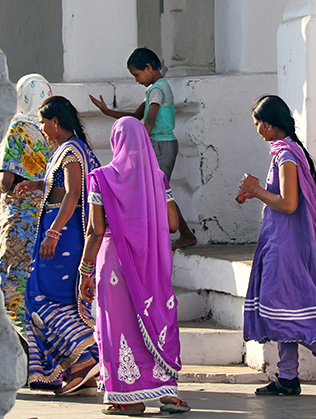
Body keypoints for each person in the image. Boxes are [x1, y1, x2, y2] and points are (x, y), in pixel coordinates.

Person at [237, 95, 316, 396]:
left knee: (279, 306)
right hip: (282, 239)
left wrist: (257, 190)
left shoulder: (286, 156)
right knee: (285, 309)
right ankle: (287, 377)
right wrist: (256, 190)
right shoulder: (286, 152)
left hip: (286, 244)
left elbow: (288, 204)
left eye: (257, 124)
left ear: (269, 124)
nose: (257, 130)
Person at [79, 117, 189, 415]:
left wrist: (84, 271)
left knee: (118, 327)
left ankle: (128, 399)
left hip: (114, 262)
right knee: (157, 319)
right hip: (151, 262)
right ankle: (168, 394)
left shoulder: (100, 178)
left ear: (116, 142)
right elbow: (173, 224)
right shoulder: (157, 178)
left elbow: (95, 230)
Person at [16, 96, 103, 395]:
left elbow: (73, 193)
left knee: (39, 297)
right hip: (66, 233)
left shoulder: (71, 151)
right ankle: (85, 377)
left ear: (55, 122)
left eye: (43, 122)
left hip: (64, 235)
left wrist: (53, 232)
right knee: (65, 300)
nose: (41, 128)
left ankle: (83, 360)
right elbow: (63, 186)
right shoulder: (73, 150)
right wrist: (37, 184)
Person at [90, 48, 197, 250]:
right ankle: (177, 234)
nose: (137, 80)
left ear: (148, 68)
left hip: (161, 145)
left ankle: (184, 234)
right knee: (157, 191)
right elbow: (135, 117)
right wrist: (107, 112)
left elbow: (148, 122)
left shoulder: (157, 90)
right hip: (158, 144)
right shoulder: (155, 90)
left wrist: (136, 145)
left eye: (137, 75)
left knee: (160, 191)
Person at [0, 74, 55, 335]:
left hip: (20, 219)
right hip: (49, 217)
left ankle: (23, 343)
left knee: (12, 282)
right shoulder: (52, 130)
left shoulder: (17, 129)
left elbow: (7, 180)